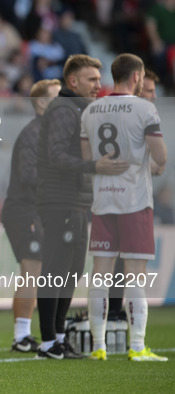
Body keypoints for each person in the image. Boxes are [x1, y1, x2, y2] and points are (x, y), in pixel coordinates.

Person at [35, 54, 129, 360]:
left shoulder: (77, 108)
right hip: (59, 200)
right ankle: (49, 341)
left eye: (99, 80)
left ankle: (59, 337)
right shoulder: (63, 109)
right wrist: (94, 166)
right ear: (73, 80)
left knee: (71, 269)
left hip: (74, 200)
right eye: (92, 80)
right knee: (56, 269)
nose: (98, 86)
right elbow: (57, 156)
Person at [81, 53, 168, 362]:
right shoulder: (145, 108)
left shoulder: (92, 110)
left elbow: (87, 160)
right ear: (136, 77)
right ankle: (137, 346)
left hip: (103, 200)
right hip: (134, 201)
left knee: (100, 276)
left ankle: (98, 347)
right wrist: (152, 166)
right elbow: (161, 157)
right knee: (134, 277)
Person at [2, 79, 61, 353]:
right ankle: (21, 335)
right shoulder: (34, 133)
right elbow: (28, 174)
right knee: (32, 270)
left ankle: (25, 333)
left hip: (34, 209)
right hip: (24, 209)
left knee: (36, 271)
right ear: (41, 103)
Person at [107, 68, 160, 321]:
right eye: (149, 90)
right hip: (125, 198)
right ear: (137, 87)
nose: (154, 96)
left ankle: (115, 317)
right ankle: (121, 323)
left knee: (122, 262)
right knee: (128, 264)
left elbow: (157, 166)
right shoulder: (135, 115)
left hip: (126, 196)